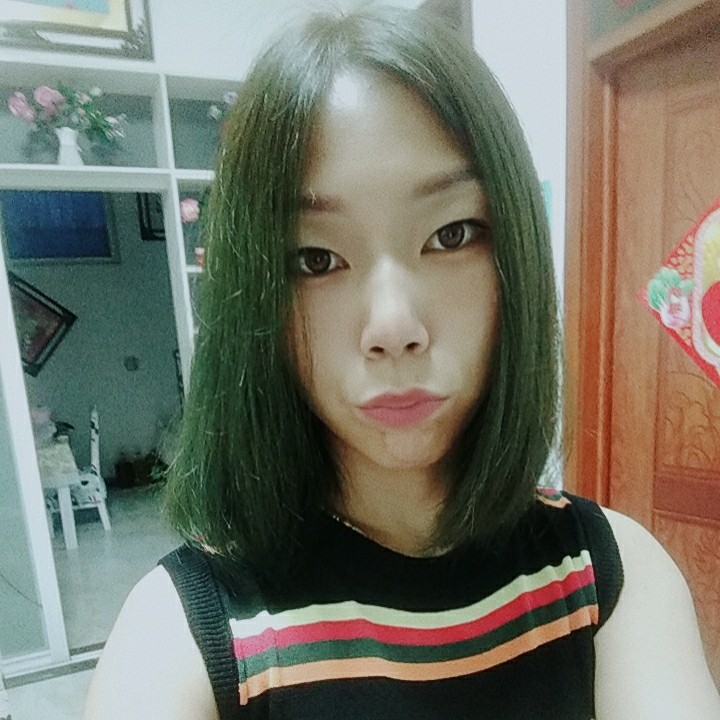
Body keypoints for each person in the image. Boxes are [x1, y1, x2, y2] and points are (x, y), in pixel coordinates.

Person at [82, 7, 720, 719]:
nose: (393, 328)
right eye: (315, 258)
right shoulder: (187, 638)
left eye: (452, 235)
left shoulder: (608, 578)